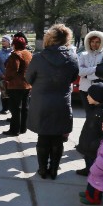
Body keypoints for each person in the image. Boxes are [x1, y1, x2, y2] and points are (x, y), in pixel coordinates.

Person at [26, 24, 79, 180]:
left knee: (43, 137)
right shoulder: (72, 57)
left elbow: (29, 78)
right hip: (61, 102)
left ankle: (43, 169)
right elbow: (73, 77)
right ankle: (54, 170)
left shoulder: (38, 57)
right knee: (57, 138)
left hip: (41, 102)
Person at [76, 83, 103, 178]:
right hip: (88, 140)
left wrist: (95, 144)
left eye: (90, 95)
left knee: (92, 161)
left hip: (94, 144)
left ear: (97, 98)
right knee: (87, 158)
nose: (87, 96)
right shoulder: (96, 106)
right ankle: (88, 170)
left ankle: (93, 177)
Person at [2, 36, 32, 136]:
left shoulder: (16, 54)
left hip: (16, 85)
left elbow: (13, 69)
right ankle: (23, 128)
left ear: (14, 45)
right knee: (24, 108)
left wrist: (7, 78)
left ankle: (14, 130)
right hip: (27, 84)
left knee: (15, 108)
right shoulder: (28, 53)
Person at [77, 31, 103, 112]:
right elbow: (80, 72)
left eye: (97, 42)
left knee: (99, 114)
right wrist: (97, 68)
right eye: (92, 41)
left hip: (100, 90)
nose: (94, 44)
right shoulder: (83, 54)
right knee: (89, 114)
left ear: (102, 42)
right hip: (85, 89)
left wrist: (87, 75)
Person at [0, 35, 13, 114]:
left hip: (11, 77)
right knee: (3, 93)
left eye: (4, 41)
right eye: (2, 41)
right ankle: (4, 108)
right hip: (1, 76)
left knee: (11, 93)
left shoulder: (13, 52)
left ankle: (11, 108)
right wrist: (1, 74)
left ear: (9, 42)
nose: (2, 42)